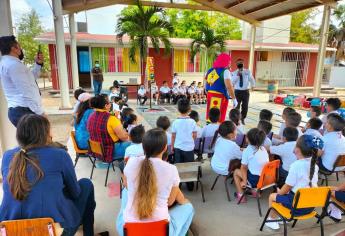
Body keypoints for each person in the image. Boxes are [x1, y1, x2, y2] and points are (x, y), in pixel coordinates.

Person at [0, 114, 108, 236]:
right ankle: (89, 233)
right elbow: (75, 192)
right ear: (45, 134)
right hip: (53, 231)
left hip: (10, 230)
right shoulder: (59, 155)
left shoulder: (7, 156)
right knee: (86, 184)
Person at [116, 128, 194, 236]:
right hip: (161, 231)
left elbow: (126, 184)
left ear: (142, 146)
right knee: (189, 208)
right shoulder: (171, 169)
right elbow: (170, 202)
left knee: (125, 191)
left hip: (127, 230)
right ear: (165, 148)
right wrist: (185, 201)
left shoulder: (132, 162)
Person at [264, 135, 323, 230]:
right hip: (309, 205)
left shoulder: (296, 165)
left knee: (273, 196)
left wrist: (279, 193)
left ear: (297, 150)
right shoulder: (315, 166)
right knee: (286, 194)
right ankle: (282, 217)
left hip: (297, 207)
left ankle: (271, 220)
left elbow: (287, 186)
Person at [0, 35, 45, 127]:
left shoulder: (9, 63)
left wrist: (38, 64)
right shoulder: (13, 65)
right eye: (19, 46)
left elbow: (31, 78)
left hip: (21, 110)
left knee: (30, 141)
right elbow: (26, 92)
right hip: (24, 111)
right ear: (14, 48)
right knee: (39, 140)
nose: (21, 49)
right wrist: (41, 114)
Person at [87, 95, 130, 161]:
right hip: (109, 151)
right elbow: (124, 137)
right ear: (106, 106)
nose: (111, 104)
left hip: (96, 151)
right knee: (136, 145)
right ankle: (124, 166)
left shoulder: (91, 116)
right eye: (109, 102)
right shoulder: (111, 119)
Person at [233, 128, 269, 202]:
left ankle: (241, 196)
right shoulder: (263, 148)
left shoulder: (247, 151)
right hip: (265, 178)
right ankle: (255, 193)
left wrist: (244, 181)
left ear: (248, 139)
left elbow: (243, 168)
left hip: (255, 180)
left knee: (236, 172)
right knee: (252, 169)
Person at [171, 99, 197, 190]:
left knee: (178, 166)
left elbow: (173, 136)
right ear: (189, 109)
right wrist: (190, 141)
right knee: (189, 166)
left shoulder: (175, 122)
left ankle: (179, 185)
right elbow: (194, 135)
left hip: (178, 147)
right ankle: (190, 185)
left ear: (178, 109)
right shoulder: (193, 122)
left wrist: (172, 146)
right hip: (189, 148)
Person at [205, 53, 237, 122]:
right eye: (229, 61)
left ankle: (209, 129)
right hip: (219, 96)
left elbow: (206, 85)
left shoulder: (210, 70)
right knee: (218, 117)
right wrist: (234, 99)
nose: (229, 63)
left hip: (210, 95)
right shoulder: (225, 71)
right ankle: (217, 131)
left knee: (210, 115)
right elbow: (229, 86)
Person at [231, 58, 255, 125]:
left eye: (241, 62)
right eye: (238, 63)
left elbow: (251, 79)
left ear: (243, 63)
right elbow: (232, 82)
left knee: (245, 106)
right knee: (236, 106)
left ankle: (242, 118)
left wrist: (253, 85)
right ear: (236, 64)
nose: (240, 64)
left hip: (245, 92)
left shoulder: (247, 71)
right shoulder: (234, 73)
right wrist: (237, 75)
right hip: (237, 92)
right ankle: (235, 120)